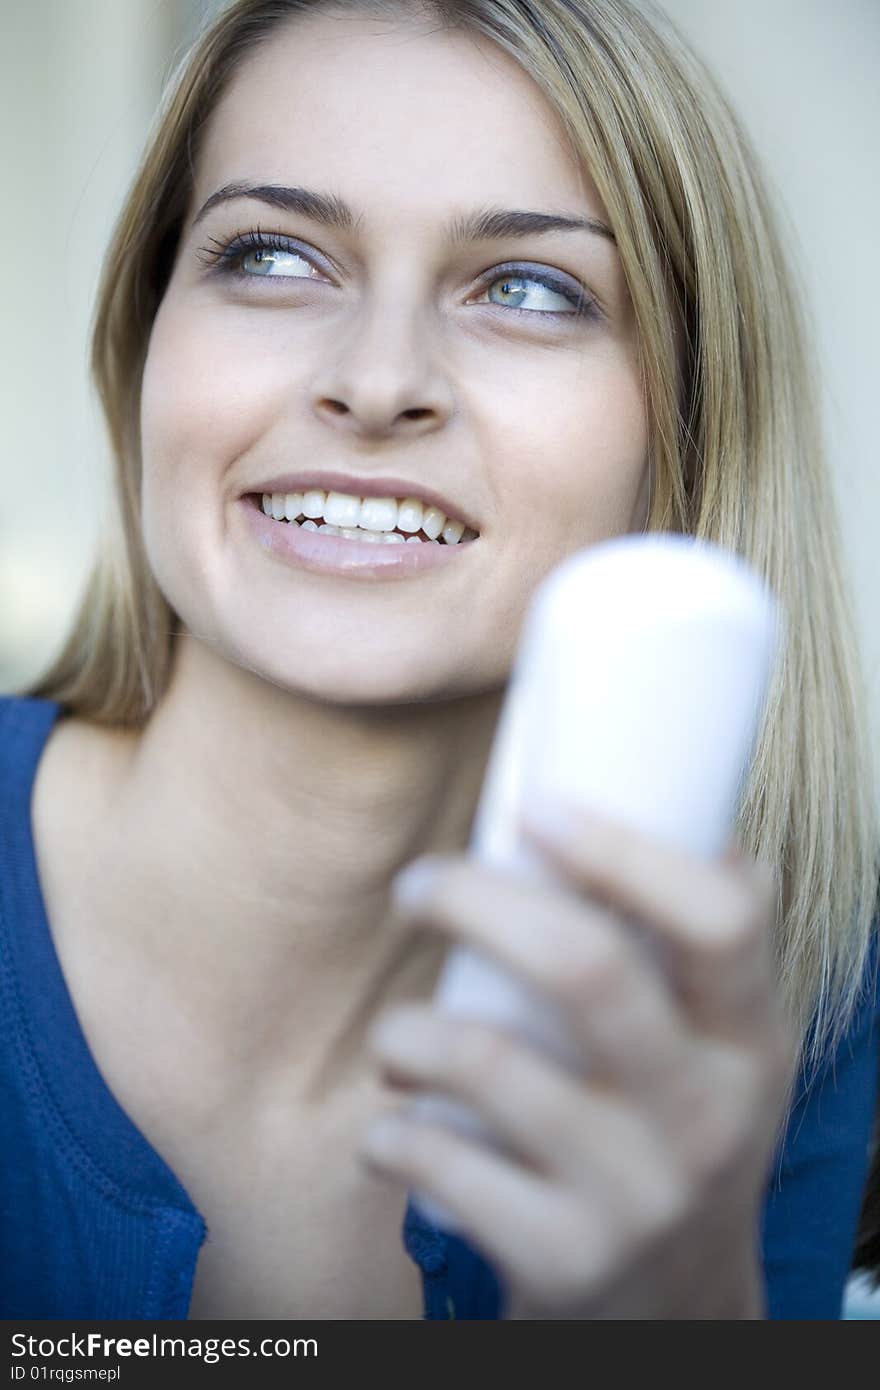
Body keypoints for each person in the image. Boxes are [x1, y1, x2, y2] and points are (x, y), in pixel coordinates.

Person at [1, 0, 877, 1320]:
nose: (377, 377)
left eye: (527, 288)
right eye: (275, 256)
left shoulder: (782, 1009)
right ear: (142, 351)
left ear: (683, 428)